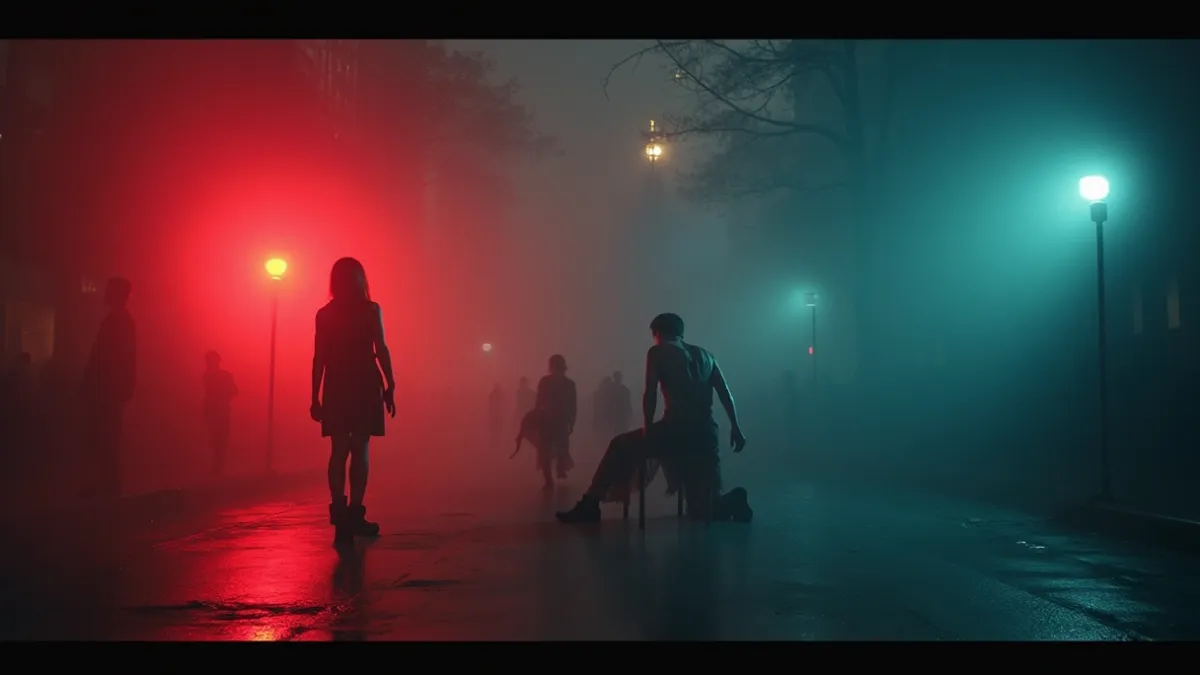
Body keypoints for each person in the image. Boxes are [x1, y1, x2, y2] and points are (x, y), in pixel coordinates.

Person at [557, 313, 751, 524]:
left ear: (657, 333)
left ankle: (591, 503)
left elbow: (651, 392)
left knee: (619, 445)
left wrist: (647, 429)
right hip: (705, 434)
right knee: (701, 508)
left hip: (675, 430)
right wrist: (735, 427)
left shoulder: (658, 352)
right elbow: (725, 393)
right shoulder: (707, 356)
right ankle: (733, 500)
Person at [311, 257, 396, 546]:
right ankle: (355, 513)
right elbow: (381, 348)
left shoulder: (325, 314)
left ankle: (340, 515)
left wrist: (314, 396)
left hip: (336, 383)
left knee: (338, 450)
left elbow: (319, 357)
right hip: (364, 381)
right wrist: (390, 384)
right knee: (360, 448)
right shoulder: (370, 310)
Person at [80, 277, 137, 499]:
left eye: (109, 290)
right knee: (105, 435)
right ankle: (107, 483)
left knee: (106, 436)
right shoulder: (118, 320)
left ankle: (109, 484)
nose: (105, 294)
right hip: (108, 387)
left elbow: (114, 357)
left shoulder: (119, 321)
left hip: (107, 388)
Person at [535, 354, 577, 489]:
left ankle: (549, 479)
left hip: (548, 420)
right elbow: (573, 405)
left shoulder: (545, 382)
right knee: (560, 447)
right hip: (560, 420)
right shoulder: (569, 384)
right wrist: (572, 421)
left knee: (546, 450)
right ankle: (558, 470)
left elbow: (539, 402)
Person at [201, 350, 238, 477]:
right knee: (216, 439)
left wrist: (222, 397)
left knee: (220, 439)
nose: (208, 364)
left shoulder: (222, 376)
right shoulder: (207, 376)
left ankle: (219, 467)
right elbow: (208, 394)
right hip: (215, 411)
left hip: (221, 411)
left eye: (210, 361)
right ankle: (218, 467)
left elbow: (234, 391)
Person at [608, 370, 633, 437]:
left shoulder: (612, 389)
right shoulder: (623, 389)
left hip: (619, 415)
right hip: (618, 415)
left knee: (619, 433)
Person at [488, 383, 505, 448]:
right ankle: (496, 442)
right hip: (496, 415)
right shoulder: (497, 395)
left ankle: (495, 442)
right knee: (496, 429)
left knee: (496, 429)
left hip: (496, 415)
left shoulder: (492, 395)